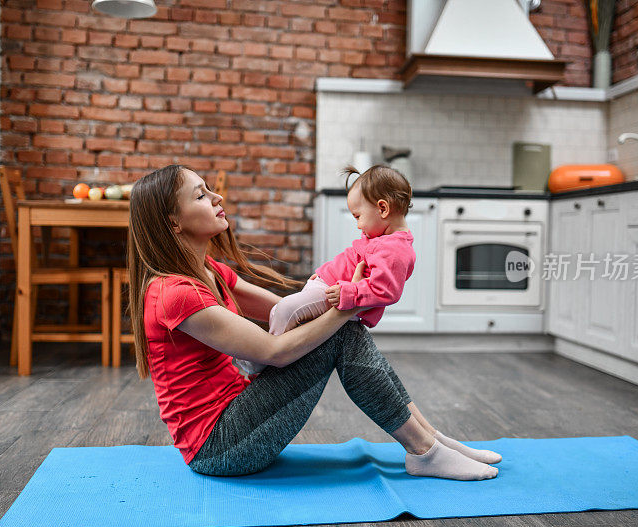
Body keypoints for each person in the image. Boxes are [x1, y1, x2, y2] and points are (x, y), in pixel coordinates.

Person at [127, 164, 501, 481]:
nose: (217, 198)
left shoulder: (210, 271)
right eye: (201, 196)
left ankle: (429, 439)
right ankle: (424, 449)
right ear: (173, 222)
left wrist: (343, 296)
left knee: (341, 325)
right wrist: (348, 302)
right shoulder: (175, 294)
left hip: (240, 414)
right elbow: (274, 351)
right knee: (341, 329)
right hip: (219, 446)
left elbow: (288, 308)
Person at [233, 164, 417, 376]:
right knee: (291, 318)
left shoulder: (395, 250)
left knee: (284, 310)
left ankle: (256, 364)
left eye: (358, 216)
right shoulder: (383, 238)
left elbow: (386, 290)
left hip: (337, 295)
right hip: (328, 287)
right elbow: (352, 261)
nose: (358, 225)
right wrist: (325, 274)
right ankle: (273, 360)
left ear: (383, 209)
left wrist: (348, 293)